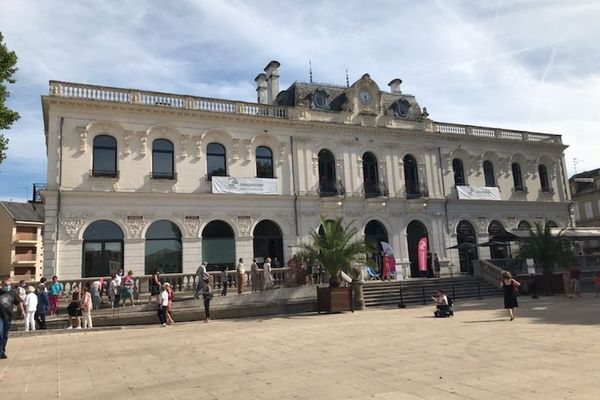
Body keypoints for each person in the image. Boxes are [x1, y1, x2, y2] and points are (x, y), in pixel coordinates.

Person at [0, 278, 25, 359]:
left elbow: (19, 302)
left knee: (5, 335)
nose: (7, 286)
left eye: (9, 285)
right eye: (6, 285)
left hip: (7, 317)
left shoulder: (12, 292)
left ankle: (2, 351)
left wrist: (22, 312)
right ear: (2, 284)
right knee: (0, 333)